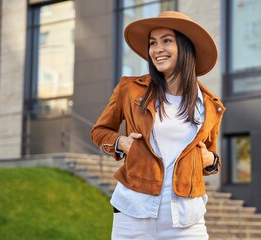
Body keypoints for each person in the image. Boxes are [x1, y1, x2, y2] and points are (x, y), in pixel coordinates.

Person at [91, 11, 226, 240]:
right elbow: (100, 131)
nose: (157, 49)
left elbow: (209, 155)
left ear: (184, 46)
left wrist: (211, 161)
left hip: (187, 220)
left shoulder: (211, 105)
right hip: (134, 215)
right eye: (153, 43)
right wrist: (120, 142)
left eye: (166, 41)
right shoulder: (130, 89)